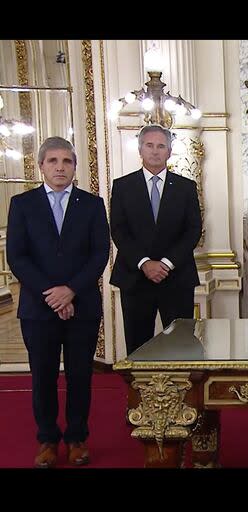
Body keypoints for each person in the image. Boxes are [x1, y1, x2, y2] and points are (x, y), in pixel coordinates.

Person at [6, 137, 110, 468]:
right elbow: (17, 257)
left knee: (81, 376)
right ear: (41, 166)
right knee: (43, 376)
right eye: (53, 161)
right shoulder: (22, 204)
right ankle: (47, 439)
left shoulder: (92, 204)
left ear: (75, 167)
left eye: (67, 161)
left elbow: (99, 254)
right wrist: (52, 294)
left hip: (83, 307)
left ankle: (77, 438)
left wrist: (72, 291)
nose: (60, 167)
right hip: (38, 309)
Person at [110, 124, 202, 355]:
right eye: (149, 145)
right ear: (140, 150)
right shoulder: (122, 186)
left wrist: (166, 263)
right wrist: (144, 263)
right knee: (138, 346)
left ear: (169, 152)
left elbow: (193, 230)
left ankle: (180, 391)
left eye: (161, 146)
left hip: (176, 277)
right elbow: (119, 230)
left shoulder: (186, 187)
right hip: (135, 278)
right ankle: (140, 392)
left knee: (181, 345)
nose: (155, 151)